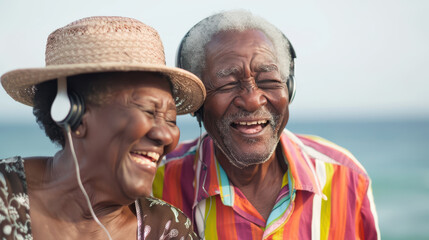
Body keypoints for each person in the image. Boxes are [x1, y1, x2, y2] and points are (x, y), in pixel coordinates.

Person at [153, 10, 380, 239]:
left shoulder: (347, 178)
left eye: (268, 81)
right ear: (198, 103)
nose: (252, 100)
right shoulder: (156, 185)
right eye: (227, 84)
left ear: (288, 89)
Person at [0, 16, 205, 239]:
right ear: (73, 114)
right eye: (147, 110)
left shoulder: (168, 228)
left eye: (171, 120)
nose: (166, 135)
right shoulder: (4, 195)